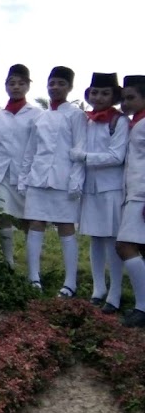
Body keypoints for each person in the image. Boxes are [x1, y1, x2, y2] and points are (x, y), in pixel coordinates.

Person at [19, 66, 87, 296]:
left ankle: (70, 283)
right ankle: (33, 278)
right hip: (38, 178)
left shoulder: (76, 115)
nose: (55, 87)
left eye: (60, 83)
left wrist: (76, 179)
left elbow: (80, 148)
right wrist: (24, 177)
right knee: (35, 224)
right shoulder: (41, 116)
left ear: (69, 87)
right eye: (52, 83)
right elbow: (31, 150)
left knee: (66, 228)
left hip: (64, 180)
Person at [72, 73, 128, 312]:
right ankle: (98, 287)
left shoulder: (120, 121)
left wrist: (84, 157)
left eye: (105, 93)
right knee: (95, 238)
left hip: (111, 189)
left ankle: (115, 293)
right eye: (95, 92)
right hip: (90, 188)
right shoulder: (88, 120)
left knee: (112, 241)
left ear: (114, 96)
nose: (99, 97)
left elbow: (117, 157)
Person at [0, 64, 42, 267]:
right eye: (11, 83)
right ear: (6, 86)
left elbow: (38, 146)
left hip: (27, 175)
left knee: (29, 219)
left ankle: (33, 267)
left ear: (28, 86)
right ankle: (9, 261)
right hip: (2, 174)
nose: (16, 87)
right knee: (2, 214)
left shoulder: (36, 114)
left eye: (20, 83)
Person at [116, 75, 145, 327]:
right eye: (123, 98)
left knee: (124, 246)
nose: (125, 103)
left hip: (141, 195)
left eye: (131, 98)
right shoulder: (135, 123)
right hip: (133, 193)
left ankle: (142, 308)